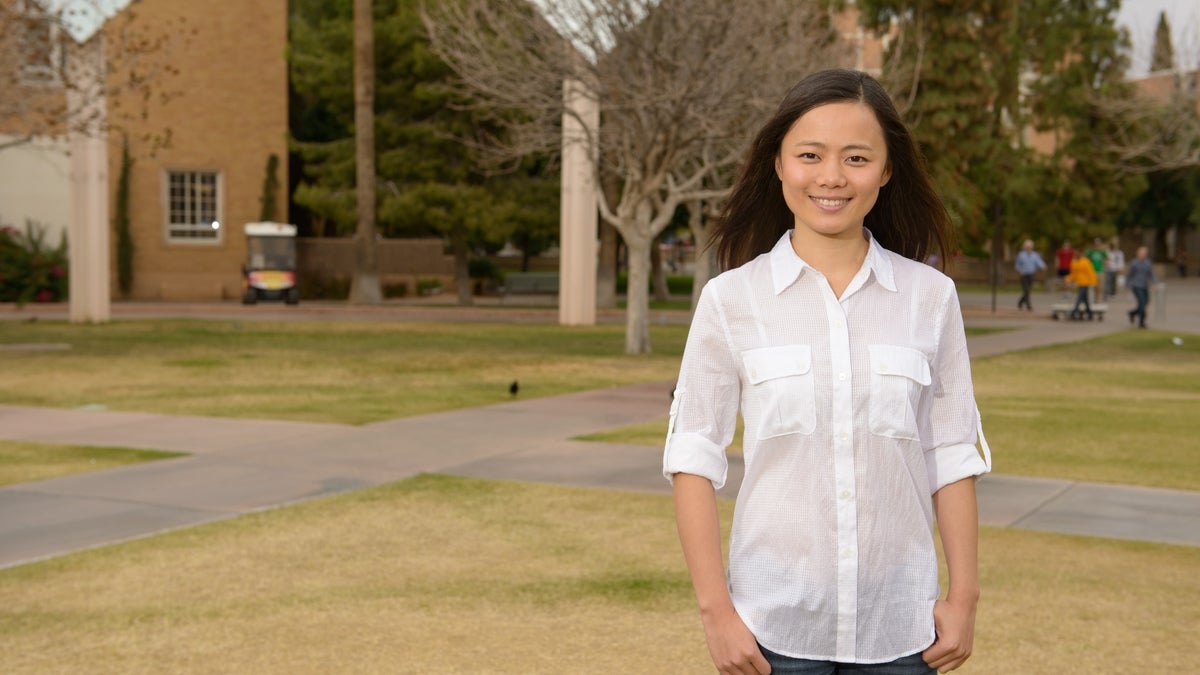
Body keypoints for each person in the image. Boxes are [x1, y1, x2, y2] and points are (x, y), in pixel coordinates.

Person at [663, 69, 991, 675]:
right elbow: (692, 455)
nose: (832, 176)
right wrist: (717, 613)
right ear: (779, 165)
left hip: (902, 628)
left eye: (857, 157)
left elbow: (948, 453)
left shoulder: (932, 298)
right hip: (771, 628)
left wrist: (964, 596)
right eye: (810, 155)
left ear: (887, 169)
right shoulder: (731, 300)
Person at [1126, 246, 1157, 328]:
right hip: (1136, 285)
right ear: (1138, 254)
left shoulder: (1148, 263)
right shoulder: (1134, 263)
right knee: (1142, 303)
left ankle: (1132, 313)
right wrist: (1127, 286)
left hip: (1144, 285)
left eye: (1145, 254)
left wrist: (1155, 283)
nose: (1143, 255)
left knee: (1146, 302)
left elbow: (1152, 273)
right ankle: (1141, 323)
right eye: (1141, 254)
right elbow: (1129, 275)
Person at [1014, 239, 1046, 311]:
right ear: (1025, 247)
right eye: (1027, 247)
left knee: (1028, 290)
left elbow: (1039, 262)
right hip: (1024, 275)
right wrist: (1020, 271)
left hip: (1031, 274)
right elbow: (1017, 265)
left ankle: (1020, 302)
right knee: (1026, 290)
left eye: (1030, 247)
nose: (1029, 248)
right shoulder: (1021, 255)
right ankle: (1028, 305)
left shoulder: (1035, 255)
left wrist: (1043, 266)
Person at [1065, 250, 1097, 320]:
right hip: (1079, 283)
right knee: (1085, 299)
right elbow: (1073, 274)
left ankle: (1074, 312)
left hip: (1085, 283)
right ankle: (1089, 313)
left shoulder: (1085, 262)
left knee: (1079, 298)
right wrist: (1068, 279)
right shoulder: (1074, 263)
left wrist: (1093, 282)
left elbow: (1090, 273)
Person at [1084, 238, 1107, 305]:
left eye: (1098, 243)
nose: (1097, 245)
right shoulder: (1090, 252)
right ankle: (1090, 299)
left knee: (1099, 286)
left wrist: (1104, 262)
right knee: (1092, 285)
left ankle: (1097, 299)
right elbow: (1086, 258)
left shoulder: (1102, 252)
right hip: (1091, 271)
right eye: (1096, 243)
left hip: (1099, 270)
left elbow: (1107, 259)